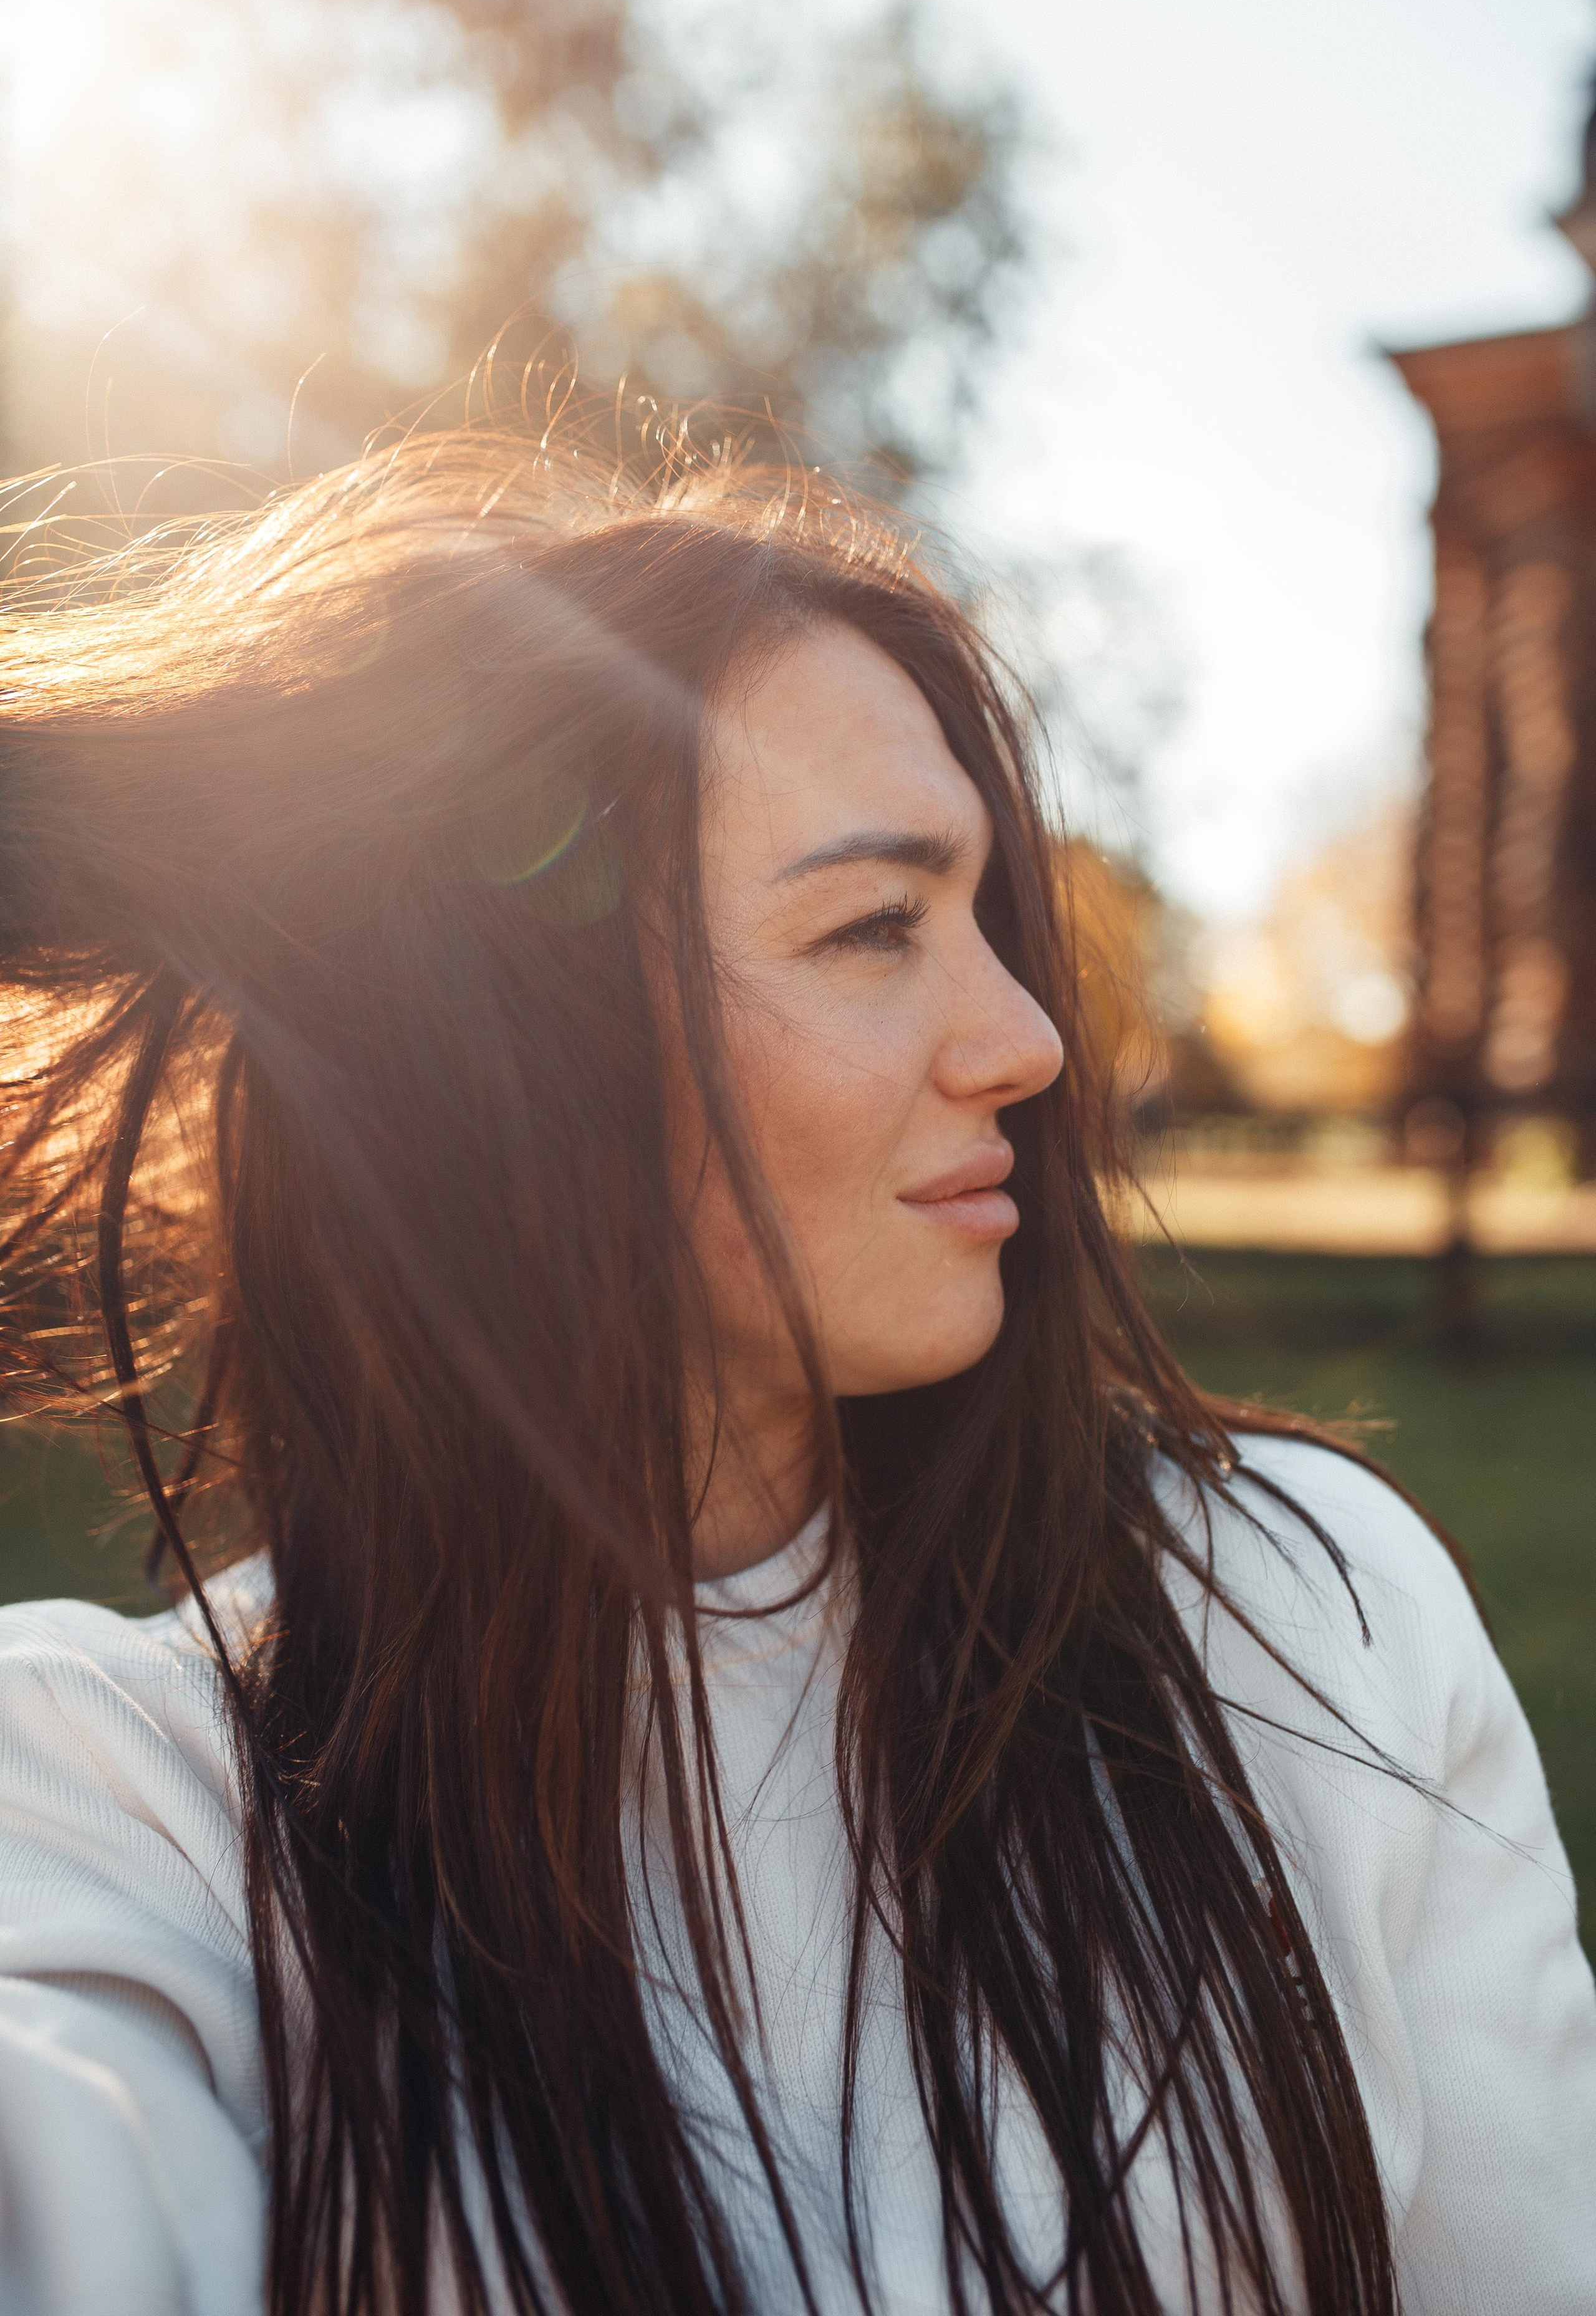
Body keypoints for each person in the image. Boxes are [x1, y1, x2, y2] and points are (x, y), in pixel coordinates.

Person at [0, 428, 1589, 2316]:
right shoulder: (139, 1807)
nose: (1022, 1039)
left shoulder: (1302, 1618)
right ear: (508, 1060)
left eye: (990, 919)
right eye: (872, 928)